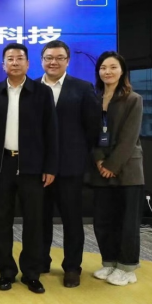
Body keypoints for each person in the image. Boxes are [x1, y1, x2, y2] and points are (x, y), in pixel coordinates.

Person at [0, 43, 58, 295]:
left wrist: (50, 166)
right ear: (3, 64)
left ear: (28, 64)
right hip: (2, 166)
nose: (15, 62)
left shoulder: (42, 92)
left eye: (19, 58)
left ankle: (31, 273)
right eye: (10, 59)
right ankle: (6, 271)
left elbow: (51, 132)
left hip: (33, 167)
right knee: (1, 221)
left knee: (34, 222)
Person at [38, 40, 100, 288]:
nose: (53, 62)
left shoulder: (82, 88)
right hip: (38, 168)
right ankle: (41, 261)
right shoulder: (32, 87)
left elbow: (92, 128)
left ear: (67, 61)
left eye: (59, 58)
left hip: (70, 168)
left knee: (72, 221)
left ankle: (72, 267)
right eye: (48, 57)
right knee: (40, 219)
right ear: (42, 60)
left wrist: (79, 156)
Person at [91, 51, 144, 287]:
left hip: (127, 169)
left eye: (113, 67)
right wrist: (99, 160)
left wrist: (112, 165)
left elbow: (129, 138)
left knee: (127, 221)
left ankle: (127, 267)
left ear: (122, 71)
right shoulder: (95, 98)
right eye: (103, 68)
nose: (108, 72)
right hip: (101, 167)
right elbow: (91, 133)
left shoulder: (133, 99)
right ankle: (109, 262)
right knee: (103, 220)